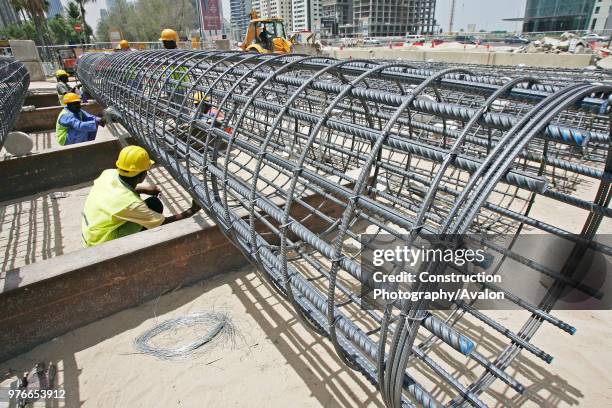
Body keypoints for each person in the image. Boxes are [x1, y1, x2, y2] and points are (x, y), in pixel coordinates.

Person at [81, 145, 202, 247]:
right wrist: (192, 210)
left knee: (150, 205)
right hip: (101, 243)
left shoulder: (108, 173)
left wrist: (143, 189)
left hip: (91, 233)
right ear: (142, 176)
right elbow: (163, 223)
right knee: (154, 206)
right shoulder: (131, 204)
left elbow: (115, 190)